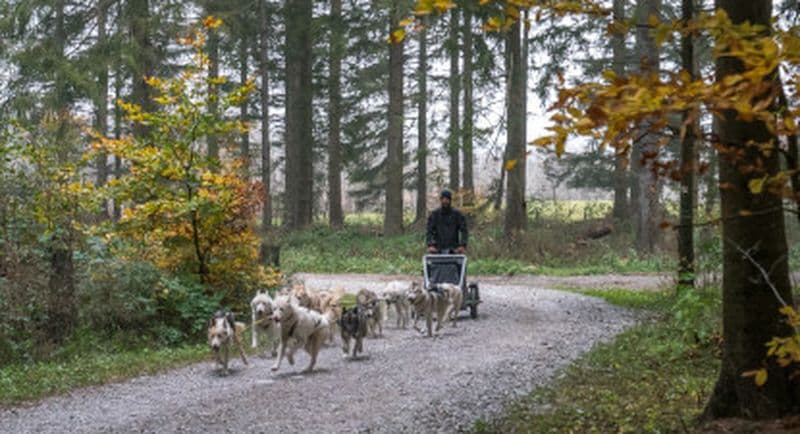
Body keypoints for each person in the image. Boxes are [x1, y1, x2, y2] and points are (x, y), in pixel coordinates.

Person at [426, 190, 468, 254]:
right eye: (443, 199)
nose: (445, 201)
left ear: (450, 200)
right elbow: (429, 231)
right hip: (437, 249)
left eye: (447, 199)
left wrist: (462, 245)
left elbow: (464, 230)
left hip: (454, 249)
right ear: (441, 200)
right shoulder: (435, 214)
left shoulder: (457, 214)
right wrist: (430, 245)